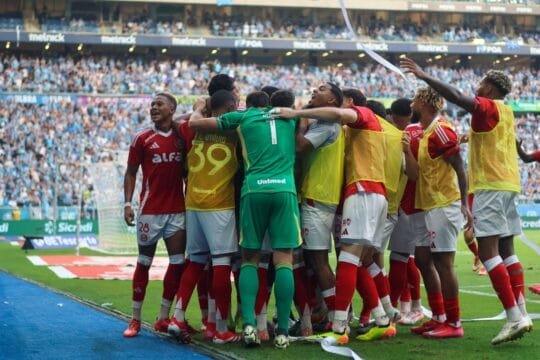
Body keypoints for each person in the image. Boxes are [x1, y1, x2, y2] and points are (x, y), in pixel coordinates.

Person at [402, 57, 532, 345]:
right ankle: (521, 312)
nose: (478, 85)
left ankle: (514, 317)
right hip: (509, 184)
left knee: (487, 251)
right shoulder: (506, 111)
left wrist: (424, 75)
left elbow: (459, 97)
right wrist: (465, 136)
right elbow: (486, 137)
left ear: (491, 86)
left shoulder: (486, 106)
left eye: (482, 81)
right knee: (508, 250)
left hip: (490, 185)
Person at [272, 98, 396, 344]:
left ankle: (339, 328)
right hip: (373, 194)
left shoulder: (362, 115)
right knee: (359, 260)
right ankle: (383, 319)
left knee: (347, 260)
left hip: (361, 191)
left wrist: (297, 113)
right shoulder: (374, 131)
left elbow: (337, 115)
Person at [189, 90, 301, 349]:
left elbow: (194, 124)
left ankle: (249, 325)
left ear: (247, 105)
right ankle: (283, 331)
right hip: (285, 189)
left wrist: (198, 107)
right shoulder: (291, 117)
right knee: (284, 260)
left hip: (254, 190)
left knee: (250, 259)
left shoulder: (241, 118)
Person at [168, 90, 241, 344]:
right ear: (231, 106)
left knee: (195, 262)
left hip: (193, 204)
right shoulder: (234, 128)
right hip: (219, 205)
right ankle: (221, 330)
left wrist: (200, 108)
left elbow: (178, 121)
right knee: (221, 264)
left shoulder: (193, 129)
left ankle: (177, 317)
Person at [402, 87, 472, 339]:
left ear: (423, 102)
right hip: (427, 204)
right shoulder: (428, 131)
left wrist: (464, 202)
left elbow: (459, 167)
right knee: (422, 259)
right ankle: (439, 316)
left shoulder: (441, 129)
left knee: (444, 263)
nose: (411, 102)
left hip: (443, 203)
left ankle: (454, 323)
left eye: (415, 99)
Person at [122, 93, 188, 341]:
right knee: (144, 263)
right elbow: (130, 172)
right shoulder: (142, 138)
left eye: (159, 104)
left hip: (177, 211)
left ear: (172, 109)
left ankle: (162, 316)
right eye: (152, 105)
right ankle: (135, 318)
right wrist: (127, 203)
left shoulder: (182, 138)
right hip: (149, 211)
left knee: (178, 263)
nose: (153, 108)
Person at [294, 82, 345, 336]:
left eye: (322, 89)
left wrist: (300, 119)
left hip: (318, 196)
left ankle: (337, 320)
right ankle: (326, 314)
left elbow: (299, 147)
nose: (315, 90)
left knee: (319, 260)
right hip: (320, 195)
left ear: (334, 101)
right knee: (314, 261)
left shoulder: (327, 125)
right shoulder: (323, 123)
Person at [386, 98, 425, 325]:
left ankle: (411, 307)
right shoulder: (410, 134)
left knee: (406, 259)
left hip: (407, 205)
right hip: (405, 204)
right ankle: (404, 307)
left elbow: (413, 173)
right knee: (406, 259)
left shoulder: (406, 136)